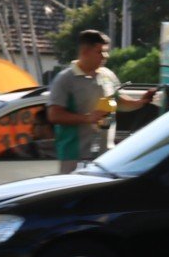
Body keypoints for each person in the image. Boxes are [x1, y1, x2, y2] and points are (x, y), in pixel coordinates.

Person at [47, 30, 156, 171]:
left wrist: (140, 102)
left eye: (106, 51)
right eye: (100, 52)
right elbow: (54, 115)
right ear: (85, 51)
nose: (106, 56)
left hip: (106, 156)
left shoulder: (107, 74)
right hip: (75, 156)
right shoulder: (65, 79)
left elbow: (118, 101)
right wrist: (88, 118)